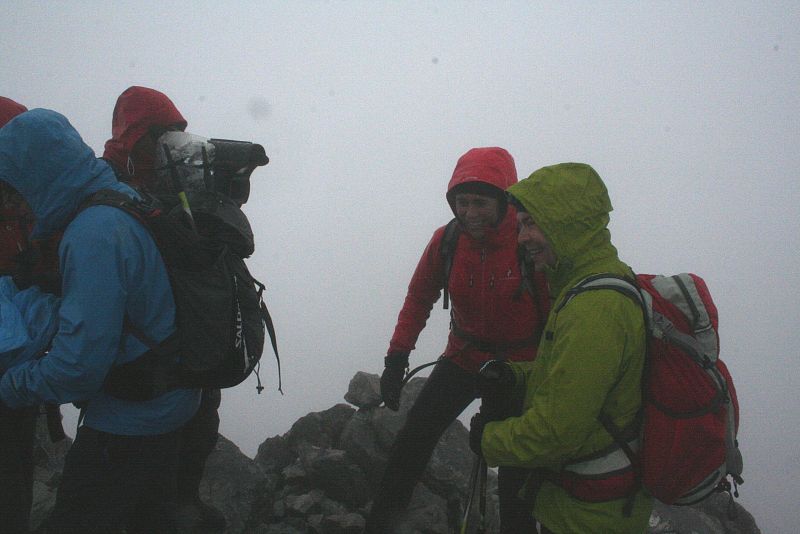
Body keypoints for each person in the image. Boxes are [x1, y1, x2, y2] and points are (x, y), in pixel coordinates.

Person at [0, 108, 201, 533]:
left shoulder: (93, 232)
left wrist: (9, 386)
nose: (15, 202)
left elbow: (77, 368)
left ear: (36, 175)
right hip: (171, 403)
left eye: (15, 186)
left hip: (129, 423)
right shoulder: (120, 196)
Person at [366, 147, 549, 532]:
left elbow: (557, 314)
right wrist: (396, 357)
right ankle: (382, 524)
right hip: (464, 358)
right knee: (412, 441)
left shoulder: (529, 240)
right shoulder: (447, 240)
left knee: (517, 469)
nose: (469, 213)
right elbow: (419, 297)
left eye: (480, 202)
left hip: (521, 368)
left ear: (505, 199)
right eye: (461, 203)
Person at [470, 162, 653, 533]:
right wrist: (516, 376)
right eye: (521, 225)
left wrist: (488, 439)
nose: (522, 238)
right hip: (592, 503)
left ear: (567, 224)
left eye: (533, 224)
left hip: (591, 514)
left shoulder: (594, 309)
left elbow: (555, 433)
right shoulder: (591, 283)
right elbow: (575, 379)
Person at [102, 85, 226, 532]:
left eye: (176, 132)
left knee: (199, 420)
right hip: (140, 357)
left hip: (185, 347)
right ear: (137, 138)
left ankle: (183, 501)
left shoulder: (173, 178)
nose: (172, 142)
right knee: (131, 477)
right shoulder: (108, 189)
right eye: (163, 133)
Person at [0, 95, 63, 534]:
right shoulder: (26, 205)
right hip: (16, 357)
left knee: (13, 465)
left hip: (19, 363)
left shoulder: (30, 205)